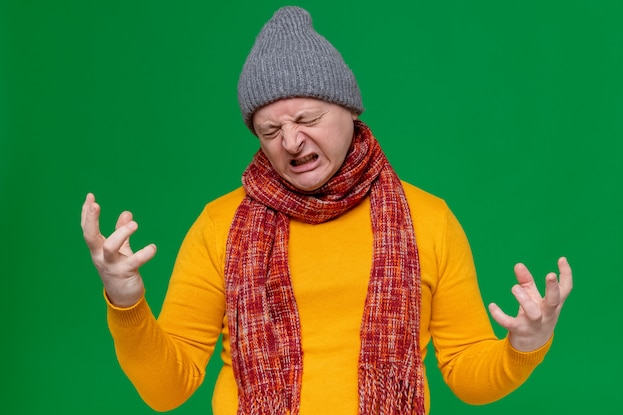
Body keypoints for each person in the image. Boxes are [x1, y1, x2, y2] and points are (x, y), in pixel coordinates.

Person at [81, 6, 573, 415]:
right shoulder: (219, 225)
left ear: (351, 110)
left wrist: (525, 344)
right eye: (269, 131)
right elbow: (167, 390)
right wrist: (126, 301)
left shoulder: (430, 219)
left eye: (307, 118)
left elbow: (467, 375)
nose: (292, 142)